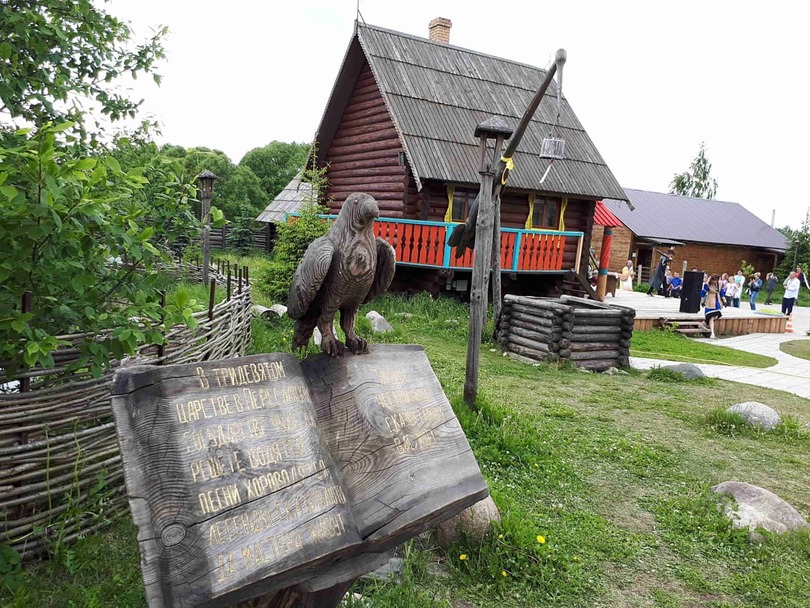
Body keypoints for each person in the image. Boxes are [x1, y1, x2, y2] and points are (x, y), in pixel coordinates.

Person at [700, 274, 725, 339]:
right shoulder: (707, 285)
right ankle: (712, 333)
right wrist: (702, 302)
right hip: (710, 301)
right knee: (711, 317)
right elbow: (703, 293)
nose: (715, 281)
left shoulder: (720, 284)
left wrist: (724, 301)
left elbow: (722, 292)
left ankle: (701, 324)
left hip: (717, 301)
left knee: (715, 316)